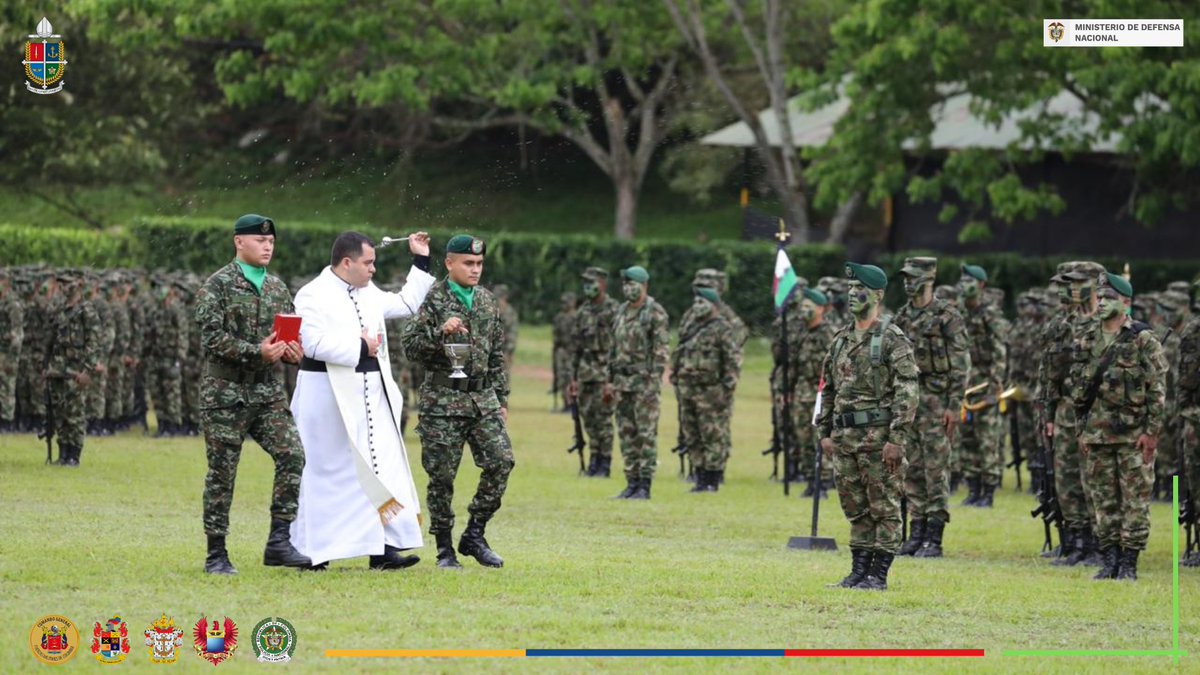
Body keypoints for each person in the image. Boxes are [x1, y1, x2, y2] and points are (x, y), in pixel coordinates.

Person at [289, 231, 435, 571]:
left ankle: (382, 550)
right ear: (346, 262)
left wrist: (421, 259)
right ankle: (315, 553)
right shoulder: (312, 294)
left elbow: (406, 304)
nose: (373, 269)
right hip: (326, 396)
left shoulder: (368, 292)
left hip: (372, 395)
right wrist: (359, 347)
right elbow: (311, 343)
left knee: (379, 470)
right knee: (327, 473)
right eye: (368, 263)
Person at [194, 214, 311, 575]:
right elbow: (211, 339)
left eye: (271, 242)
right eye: (260, 241)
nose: (267, 247)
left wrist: (293, 353)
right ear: (238, 242)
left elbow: (288, 335)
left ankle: (278, 541)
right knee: (223, 473)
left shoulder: (277, 287)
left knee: (293, 454)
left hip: (266, 392)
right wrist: (254, 351)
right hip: (225, 393)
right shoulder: (217, 286)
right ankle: (217, 553)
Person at [402, 234, 514, 570]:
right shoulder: (434, 298)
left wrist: (502, 398)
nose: (475, 269)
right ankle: (445, 549)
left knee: (501, 462)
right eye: (468, 263)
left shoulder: (486, 301)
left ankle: (475, 533)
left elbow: (496, 355)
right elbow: (410, 346)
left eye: (479, 263)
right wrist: (440, 333)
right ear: (449, 263)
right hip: (443, 402)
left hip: (482, 400)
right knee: (442, 478)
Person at [817, 263, 918, 591]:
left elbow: (908, 388)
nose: (852, 295)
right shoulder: (840, 339)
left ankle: (879, 575)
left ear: (876, 295)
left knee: (884, 506)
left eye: (859, 290)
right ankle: (858, 571)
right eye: (849, 289)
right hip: (845, 439)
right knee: (855, 508)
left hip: (879, 440)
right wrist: (825, 431)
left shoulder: (891, 338)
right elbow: (829, 388)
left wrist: (897, 438)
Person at [1072, 273, 1167, 580]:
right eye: (1099, 297)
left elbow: (1157, 390)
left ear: (1126, 302)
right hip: (1097, 435)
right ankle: (1109, 559)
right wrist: (1081, 430)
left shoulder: (1142, 340)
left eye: (1108, 298)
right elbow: (1078, 391)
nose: (1101, 303)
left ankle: (1129, 563)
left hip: (1132, 436)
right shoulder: (1087, 338)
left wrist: (1151, 432)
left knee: (1134, 502)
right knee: (1103, 501)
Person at [891, 257, 968, 558]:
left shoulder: (947, 316)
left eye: (914, 277)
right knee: (912, 468)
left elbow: (961, 363)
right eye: (906, 278)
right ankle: (916, 530)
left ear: (929, 279)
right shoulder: (902, 316)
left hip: (938, 402)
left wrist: (954, 404)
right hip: (910, 402)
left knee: (936, 470)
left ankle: (934, 537)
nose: (909, 283)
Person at [1036, 261, 1107, 566]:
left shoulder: (1107, 324)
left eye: (1076, 282)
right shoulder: (1060, 326)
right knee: (1067, 480)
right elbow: (1049, 375)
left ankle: (1098, 543)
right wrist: (1048, 415)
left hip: (1096, 413)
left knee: (1093, 480)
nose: (1069, 289)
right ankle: (1076, 542)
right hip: (1065, 411)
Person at [671, 282, 740, 493]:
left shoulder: (722, 329)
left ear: (713, 305)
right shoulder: (690, 326)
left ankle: (713, 478)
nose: (697, 305)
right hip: (688, 390)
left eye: (702, 301)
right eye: (695, 301)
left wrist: (725, 391)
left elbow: (732, 363)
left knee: (712, 435)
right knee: (692, 434)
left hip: (711, 392)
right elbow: (679, 353)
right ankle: (699, 475)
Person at [609, 266, 670, 500]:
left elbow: (661, 350)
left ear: (644, 285)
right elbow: (614, 348)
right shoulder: (622, 311)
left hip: (644, 384)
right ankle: (631, 482)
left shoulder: (655, 312)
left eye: (632, 283)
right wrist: (610, 379)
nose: (627, 288)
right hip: (622, 383)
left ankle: (645, 484)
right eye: (625, 284)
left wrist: (652, 380)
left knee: (646, 434)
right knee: (626, 433)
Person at [956, 263, 1008, 508]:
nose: (964, 284)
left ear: (981, 285)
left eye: (969, 281)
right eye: (962, 280)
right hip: (965, 381)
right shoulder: (959, 312)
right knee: (967, 437)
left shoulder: (990, 313)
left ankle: (988, 492)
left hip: (986, 382)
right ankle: (973, 488)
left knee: (987, 438)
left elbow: (999, 352)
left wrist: (995, 389)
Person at [45, 271, 102, 466]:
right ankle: (63, 454)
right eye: (60, 283)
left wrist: (88, 370)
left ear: (79, 284)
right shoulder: (59, 309)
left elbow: (94, 343)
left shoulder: (87, 310)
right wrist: (45, 365)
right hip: (58, 370)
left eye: (67, 283)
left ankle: (74, 456)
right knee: (60, 413)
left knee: (75, 414)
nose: (63, 287)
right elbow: (51, 341)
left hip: (77, 371)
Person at [567, 267, 618, 477]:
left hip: (605, 374)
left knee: (604, 420)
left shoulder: (614, 310)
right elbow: (576, 348)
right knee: (588, 418)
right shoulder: (583, 312)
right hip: (586, 374)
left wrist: (612, 379)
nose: (588, 287)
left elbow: (618, 346)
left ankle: (604, 463)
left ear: (603, 284)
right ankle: (594, 459)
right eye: (585, 283)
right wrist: (573, 378)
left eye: (592, 282)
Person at [551, 292, 576, 412]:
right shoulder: (559, 317)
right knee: (561, 378)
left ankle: (572, 403)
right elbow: (555, 336)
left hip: (573, 351)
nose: (564, 305)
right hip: (561, 350)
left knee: (571, 377)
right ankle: (565, 403)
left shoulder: (577, 317)